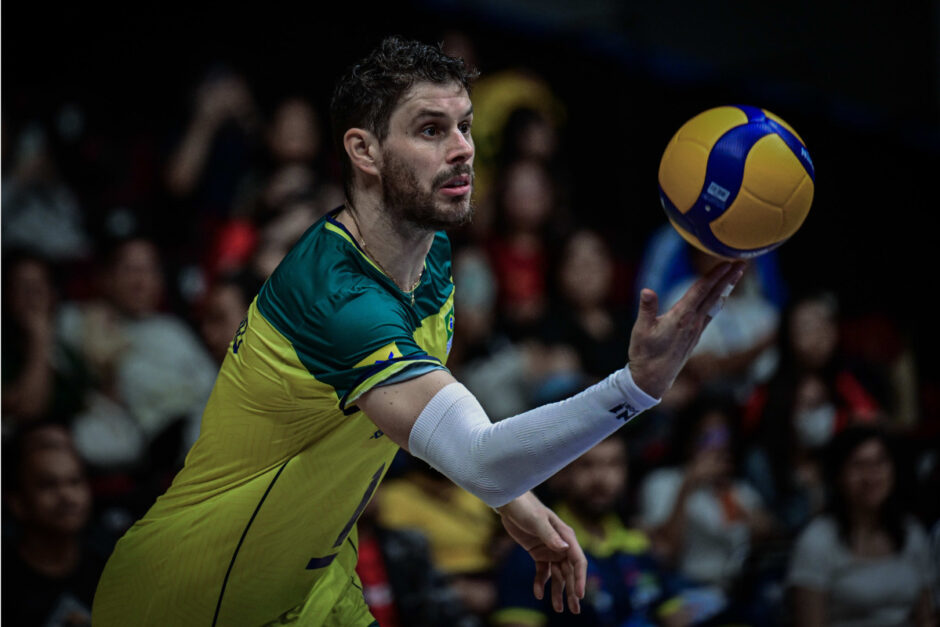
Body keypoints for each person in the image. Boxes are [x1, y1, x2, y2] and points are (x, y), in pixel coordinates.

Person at [92, 36, 745, 626]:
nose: (463, 147)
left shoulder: (431, 259)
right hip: (195, 597)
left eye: (463, 126)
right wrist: (636, 386)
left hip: (313, 584)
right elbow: (484, 455)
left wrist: (513, 501)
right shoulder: (336, 294)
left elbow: (439, 427)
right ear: (364, 150)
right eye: (431, 129)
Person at [493, 434, 691, 627]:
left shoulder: (638, 544)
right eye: (586, 465)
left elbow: (676, 617)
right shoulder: (535, 551)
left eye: (614, 464)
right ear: (559, 474)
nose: (601, 478)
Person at [788, 426, 936, 626]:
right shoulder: (817, 541)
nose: (871, 476)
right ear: (839, 475)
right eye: (858, 465)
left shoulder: (911, 532)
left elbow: (926, 618)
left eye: (880, 462)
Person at [2, 425, 108, 627]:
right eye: (48, 485)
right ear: (17, 502)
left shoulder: (110, 562)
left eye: (75, 482)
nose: (67, 496)